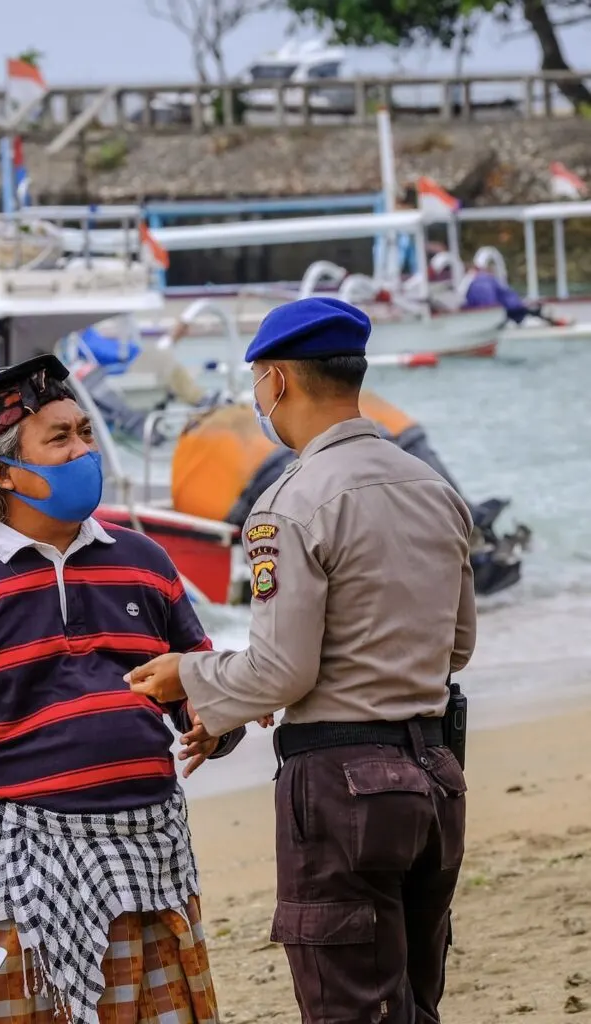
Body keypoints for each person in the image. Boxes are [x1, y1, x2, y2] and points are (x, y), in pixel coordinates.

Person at [124, 297, 476, 1024]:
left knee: (347, 1002)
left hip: (344, 787)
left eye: (257, 382)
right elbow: (456, 645)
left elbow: (282, 672)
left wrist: (186, 674)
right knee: (414, 998)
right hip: (437, 774)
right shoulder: (433, 489)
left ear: (275, 382)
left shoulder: (289, 502)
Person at [0, 353, 246, 1024]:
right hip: (12, 864)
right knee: (3, 999)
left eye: (84, 431)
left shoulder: (144, 561)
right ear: (0, 471)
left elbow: (195, 675)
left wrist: (214, 721)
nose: (84, 450)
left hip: (153, 851)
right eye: (60, 439)